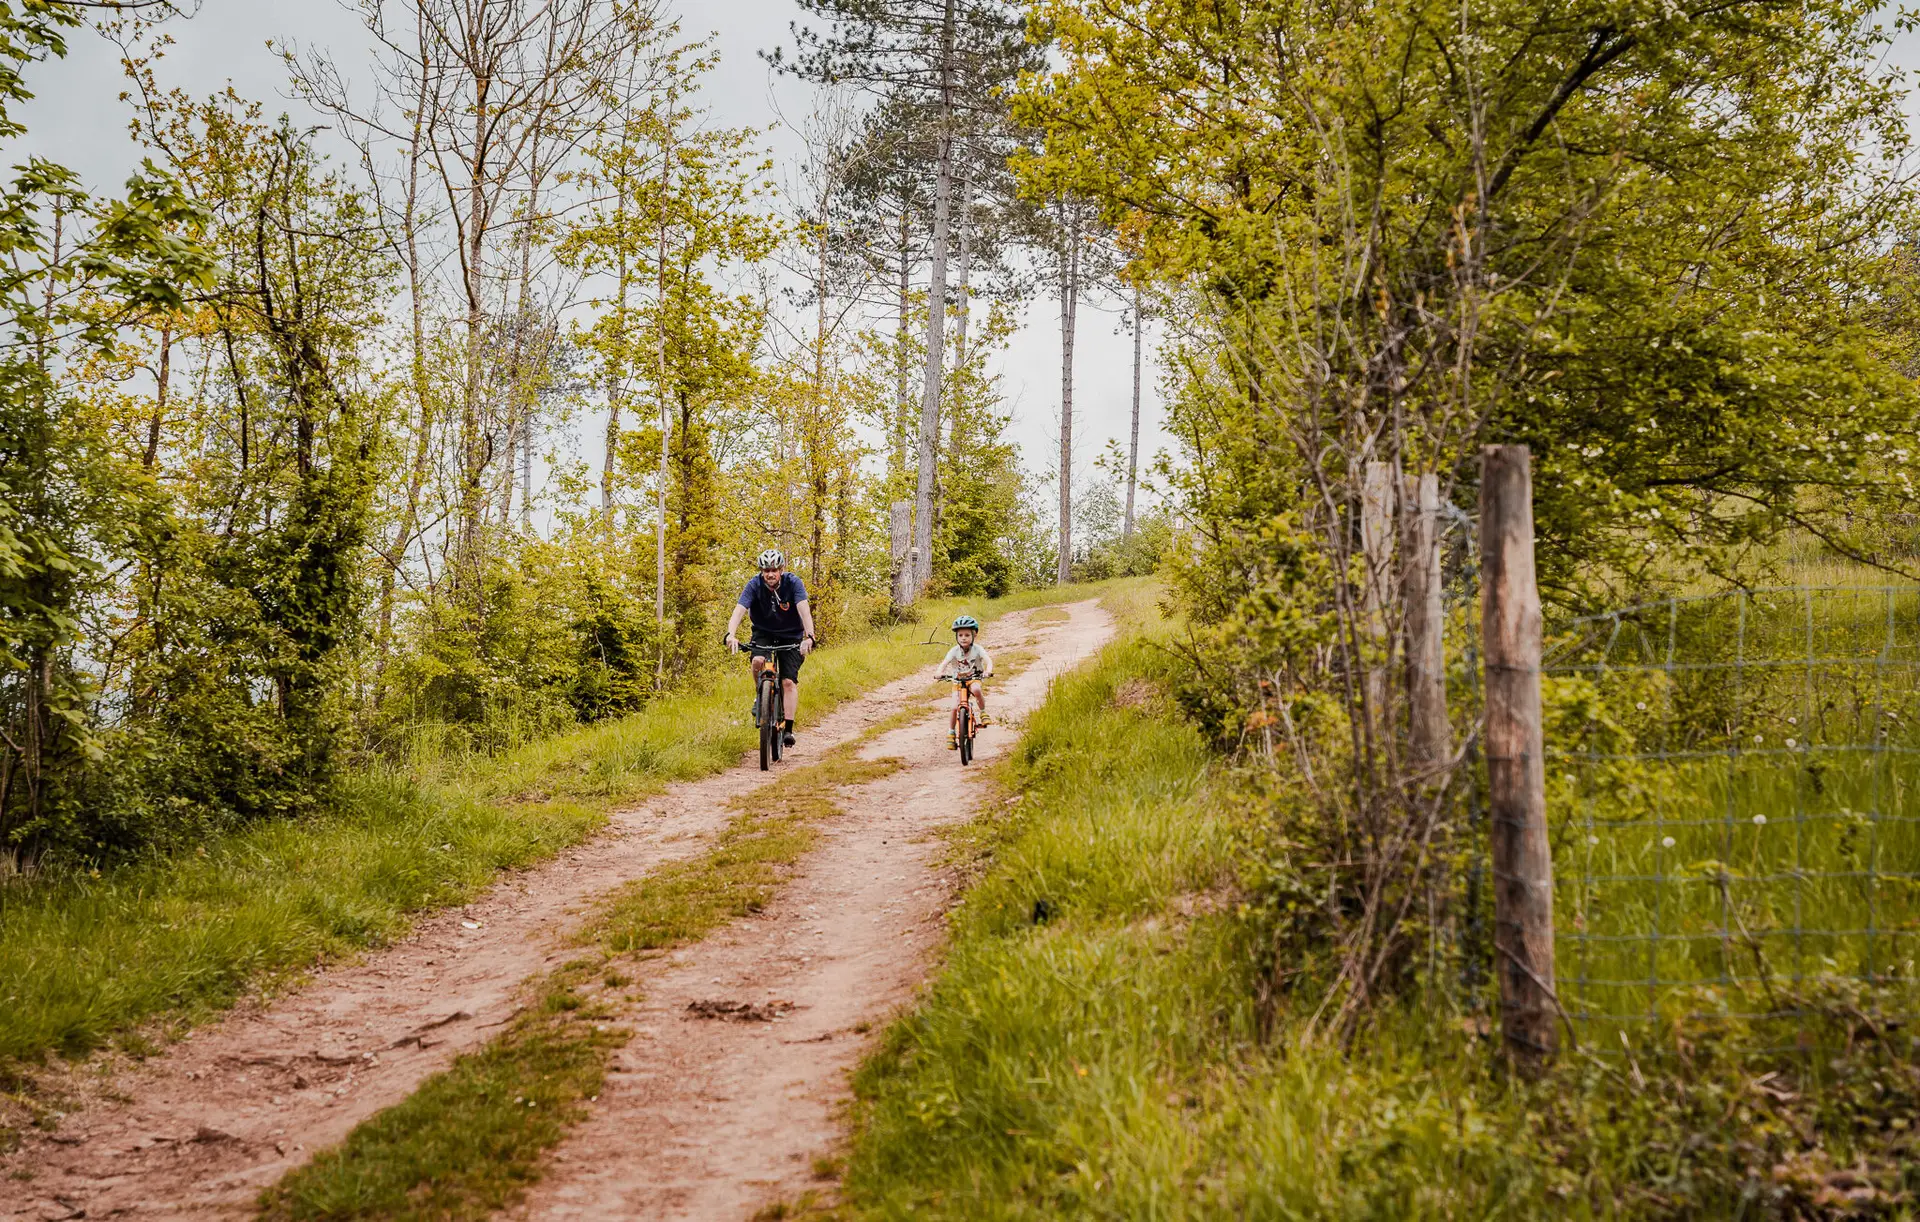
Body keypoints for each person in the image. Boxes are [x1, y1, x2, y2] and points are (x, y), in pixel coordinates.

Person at [724, 549, 815, 748]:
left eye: (774, 570)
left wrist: (809, 636)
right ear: (762, 571)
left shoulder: (793, 583)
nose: (770, 574)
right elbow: (739, 610)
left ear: (781, 570)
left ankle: (788, 729)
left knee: (788, 682)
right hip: (763, 633)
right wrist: (730, 634)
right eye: (766, 570)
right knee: (757, 661)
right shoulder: (754, 585)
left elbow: (804, 609)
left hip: (791, 635)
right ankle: (761, 696)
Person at [939, 615, 993, 750]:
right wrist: (939, 672)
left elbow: (988, 660)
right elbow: (944, 663)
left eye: (967, 635)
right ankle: (951, 732)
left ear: (974, 635)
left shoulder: (978, 649)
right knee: (954, 707)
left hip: (973, 678)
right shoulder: (954, 651)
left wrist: (988, 670)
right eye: (961, 635)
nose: (964, 638)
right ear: (956, 637)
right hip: (957, 681)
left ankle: (983, 712)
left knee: (976, 690)